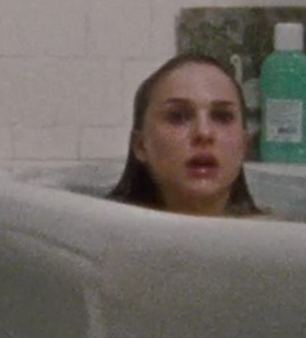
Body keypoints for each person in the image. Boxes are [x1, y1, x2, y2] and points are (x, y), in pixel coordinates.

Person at [106, 54, 268, 217]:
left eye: (222, 117)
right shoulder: (100, 227)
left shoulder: (274, 231)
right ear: (141, 146)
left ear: (244, 145)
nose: (204, 132)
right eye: (178, 116)